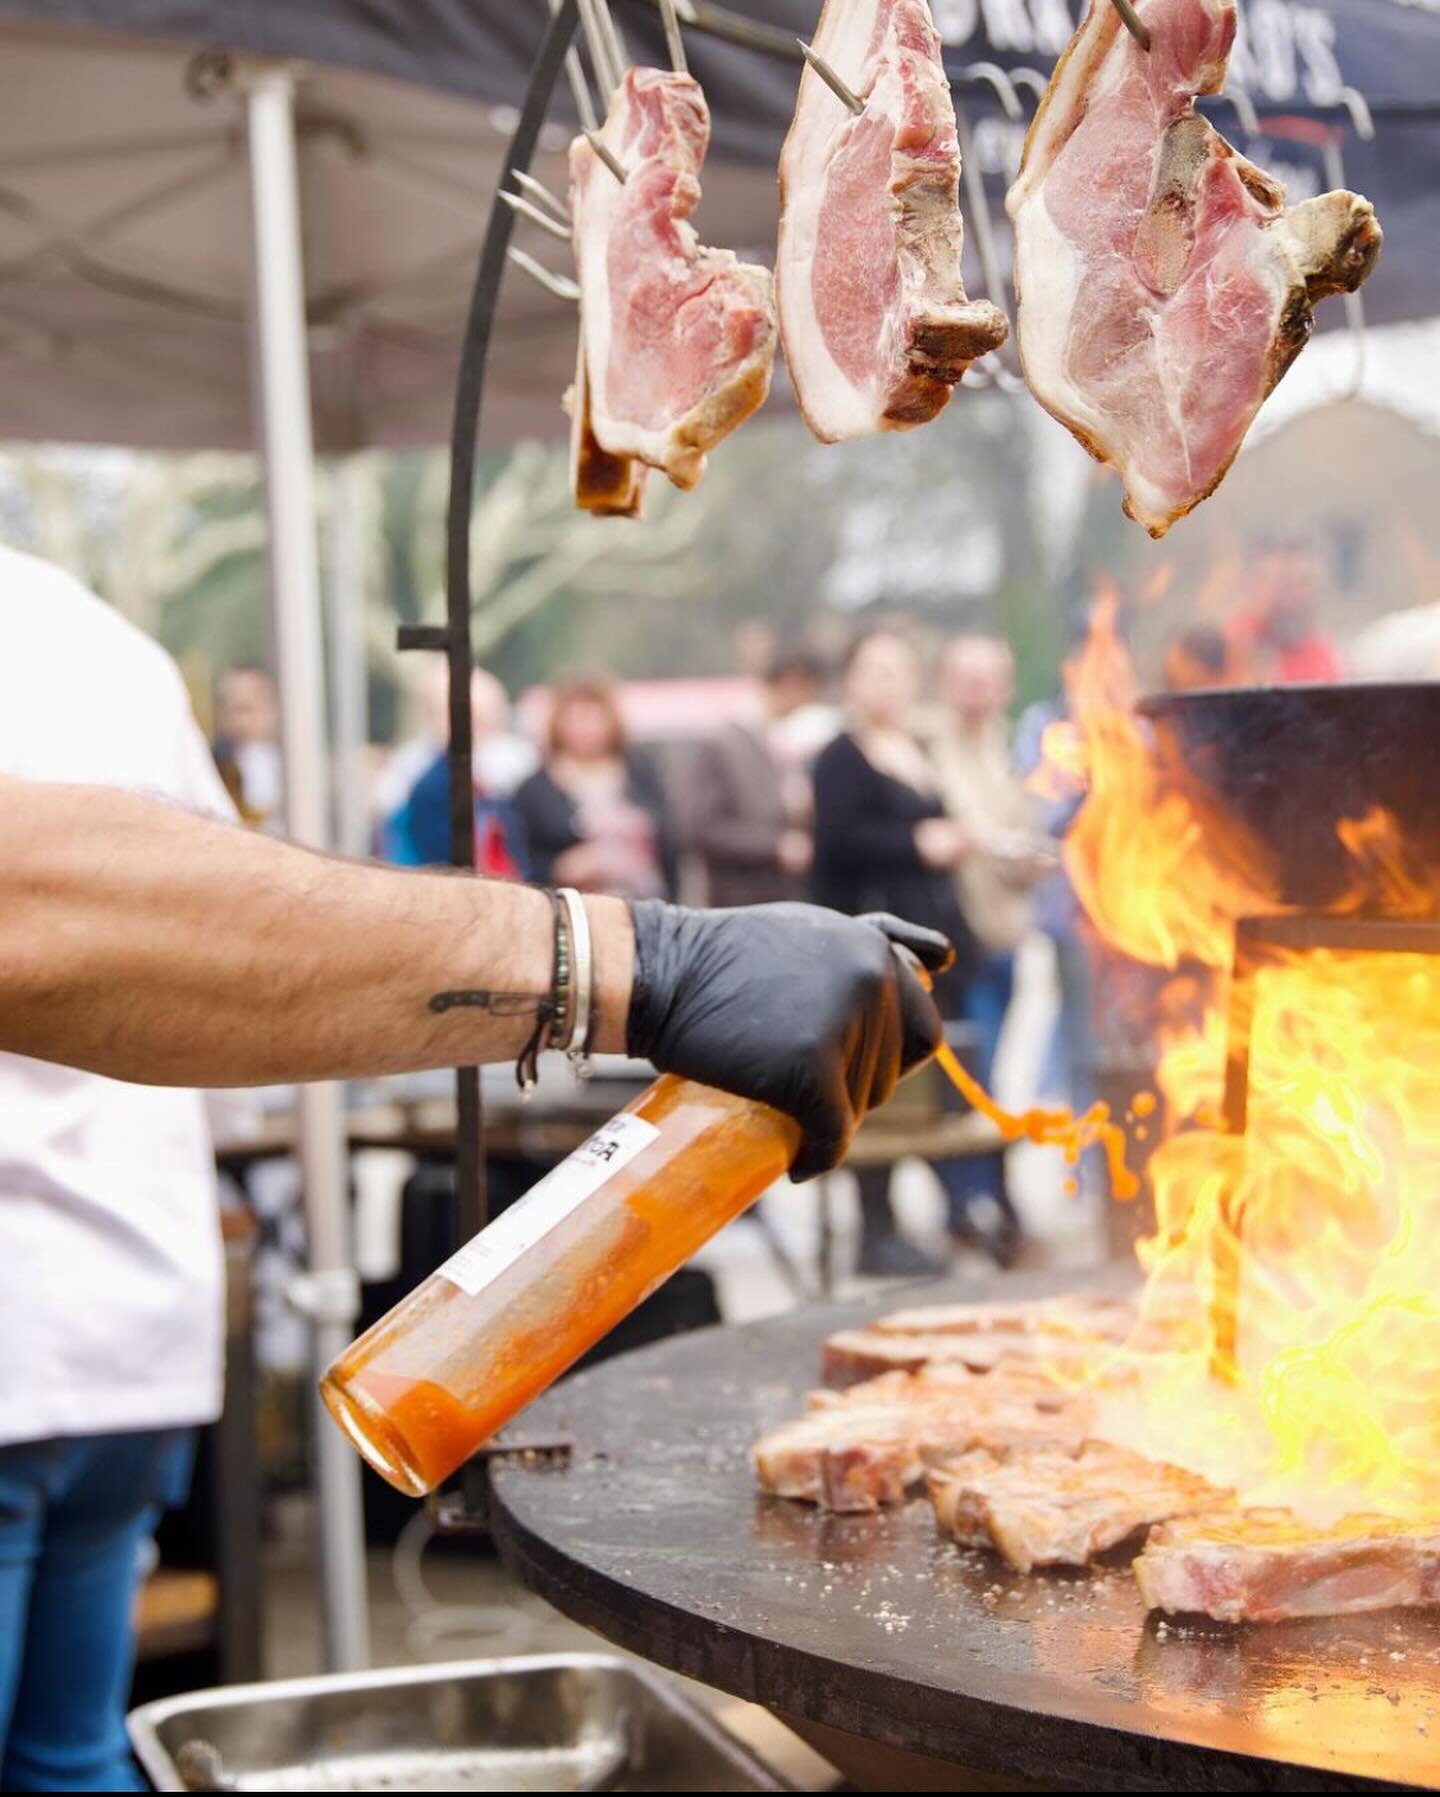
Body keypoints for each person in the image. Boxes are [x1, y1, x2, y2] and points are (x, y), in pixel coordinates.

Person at [0, 548, 238, 1791]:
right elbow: (233, 923)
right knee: (73, 1754)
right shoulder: (104, 641)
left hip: (33, 1320)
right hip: (136, 1304)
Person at [812, 626, 980, 1277]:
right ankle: (876, 1225)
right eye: (875, 670)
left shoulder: (919, 749)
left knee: (933, 1084)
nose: (889, 683)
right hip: (869, 941)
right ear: (852, 679)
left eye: (900, 670)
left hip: (932, 937)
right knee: (874, 1082)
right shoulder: (840, 756)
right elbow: (838, 842)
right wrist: (919, 843)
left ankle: (956, 1210)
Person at [931, 636, 1046, 1258]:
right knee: (968, 1077)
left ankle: (989, 1204)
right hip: (958, 941)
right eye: (967, 679)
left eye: (989, 680)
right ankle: (971, 1206)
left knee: (997, 1074)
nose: (979, 692)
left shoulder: (1006, 749)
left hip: (1006, 934)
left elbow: (1024, 830)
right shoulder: (930, 748)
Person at [513, 677, 676, 899]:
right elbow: (522, 857)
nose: (585, 728)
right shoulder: (535, 790)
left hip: (641, 902)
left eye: (594, 717)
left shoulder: (640, 773)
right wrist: (563, 867)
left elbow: (668, 841)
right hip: (570, 905)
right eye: (575, 719)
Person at [690, 647, 823, 908]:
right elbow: (702, 828)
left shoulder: (786, 741)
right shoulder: (725, 743)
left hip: (784, 898)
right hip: (738, 902)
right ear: (792, 683)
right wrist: (775, 846)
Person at [1228, 538, 1342, 684]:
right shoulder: (1233, 648)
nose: (1291, 597)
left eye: (1303, 582)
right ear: (1253, 584)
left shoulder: (1320, 650)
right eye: (1282, 581)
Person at [212, 662, 284, 828]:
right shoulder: (215, 767)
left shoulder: (297, 767)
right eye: (237, 707)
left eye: (250, 706)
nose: (245, 718)